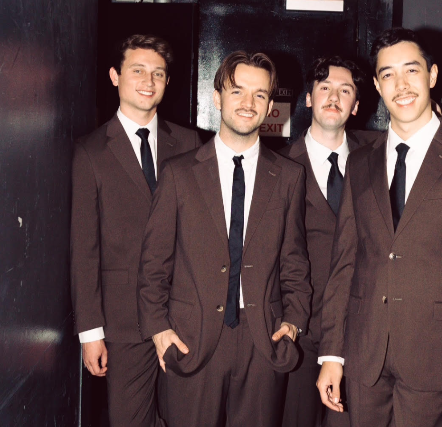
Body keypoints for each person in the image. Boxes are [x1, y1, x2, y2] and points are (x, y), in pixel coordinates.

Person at [316, 28, 442, 427]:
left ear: (432, 75)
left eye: (411, 70)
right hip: (364, 356)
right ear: (376, 85)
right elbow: (344, 264)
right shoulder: (360, 163)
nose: (401, 85)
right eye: (388, 74)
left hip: (433, 358)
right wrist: (332, 354)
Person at [137, 51, 312, 427]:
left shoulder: (289, 176)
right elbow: (154, 263)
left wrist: (294, 322)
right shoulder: (178, 173)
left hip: (263, 340)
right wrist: (158, 329)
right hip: (191, 337)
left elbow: (294, 259)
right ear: (217, 98)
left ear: (270, 107)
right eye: (237, 91)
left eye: (260, 94)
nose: (248, 103)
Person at [70, 34, 201, 426]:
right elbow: (84, 249)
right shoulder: (91, 151)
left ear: (168, 81)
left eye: (158, 73)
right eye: (138, 71)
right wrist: (90, 332)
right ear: (115, 76)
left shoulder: (190, 143)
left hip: (186, 315)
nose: (149, 81)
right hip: (123, 323)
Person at [280, 56, 375, 427]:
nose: (334, 98)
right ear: (308, 98)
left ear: (356, 105)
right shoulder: (278, 167)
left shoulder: (379, 158)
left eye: (345, 90)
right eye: (325, 88)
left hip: (360, 331)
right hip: (297, 334)